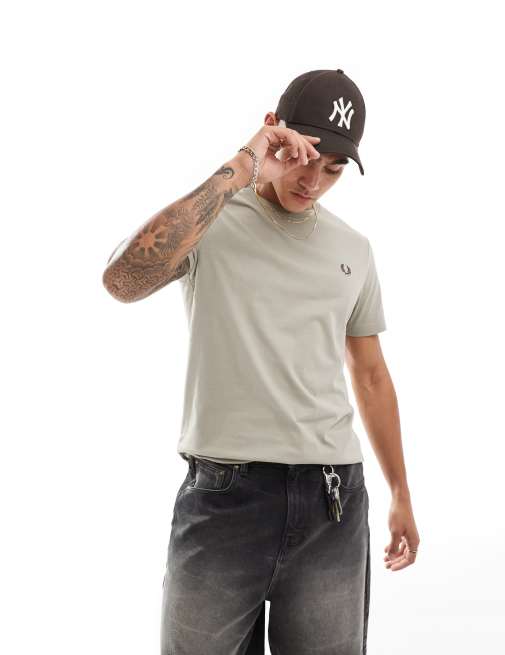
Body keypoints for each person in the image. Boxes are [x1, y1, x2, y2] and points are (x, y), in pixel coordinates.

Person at [103, 68, 420, 655]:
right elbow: (122, 280)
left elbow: (371, 375)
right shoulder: (212, 221)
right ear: (274, 131)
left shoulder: (354, 249)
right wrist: (244, 163)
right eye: (307, 157)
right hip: (224, 496)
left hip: (331, 502)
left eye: (334, 169)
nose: (314, 181)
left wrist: (400, 490)